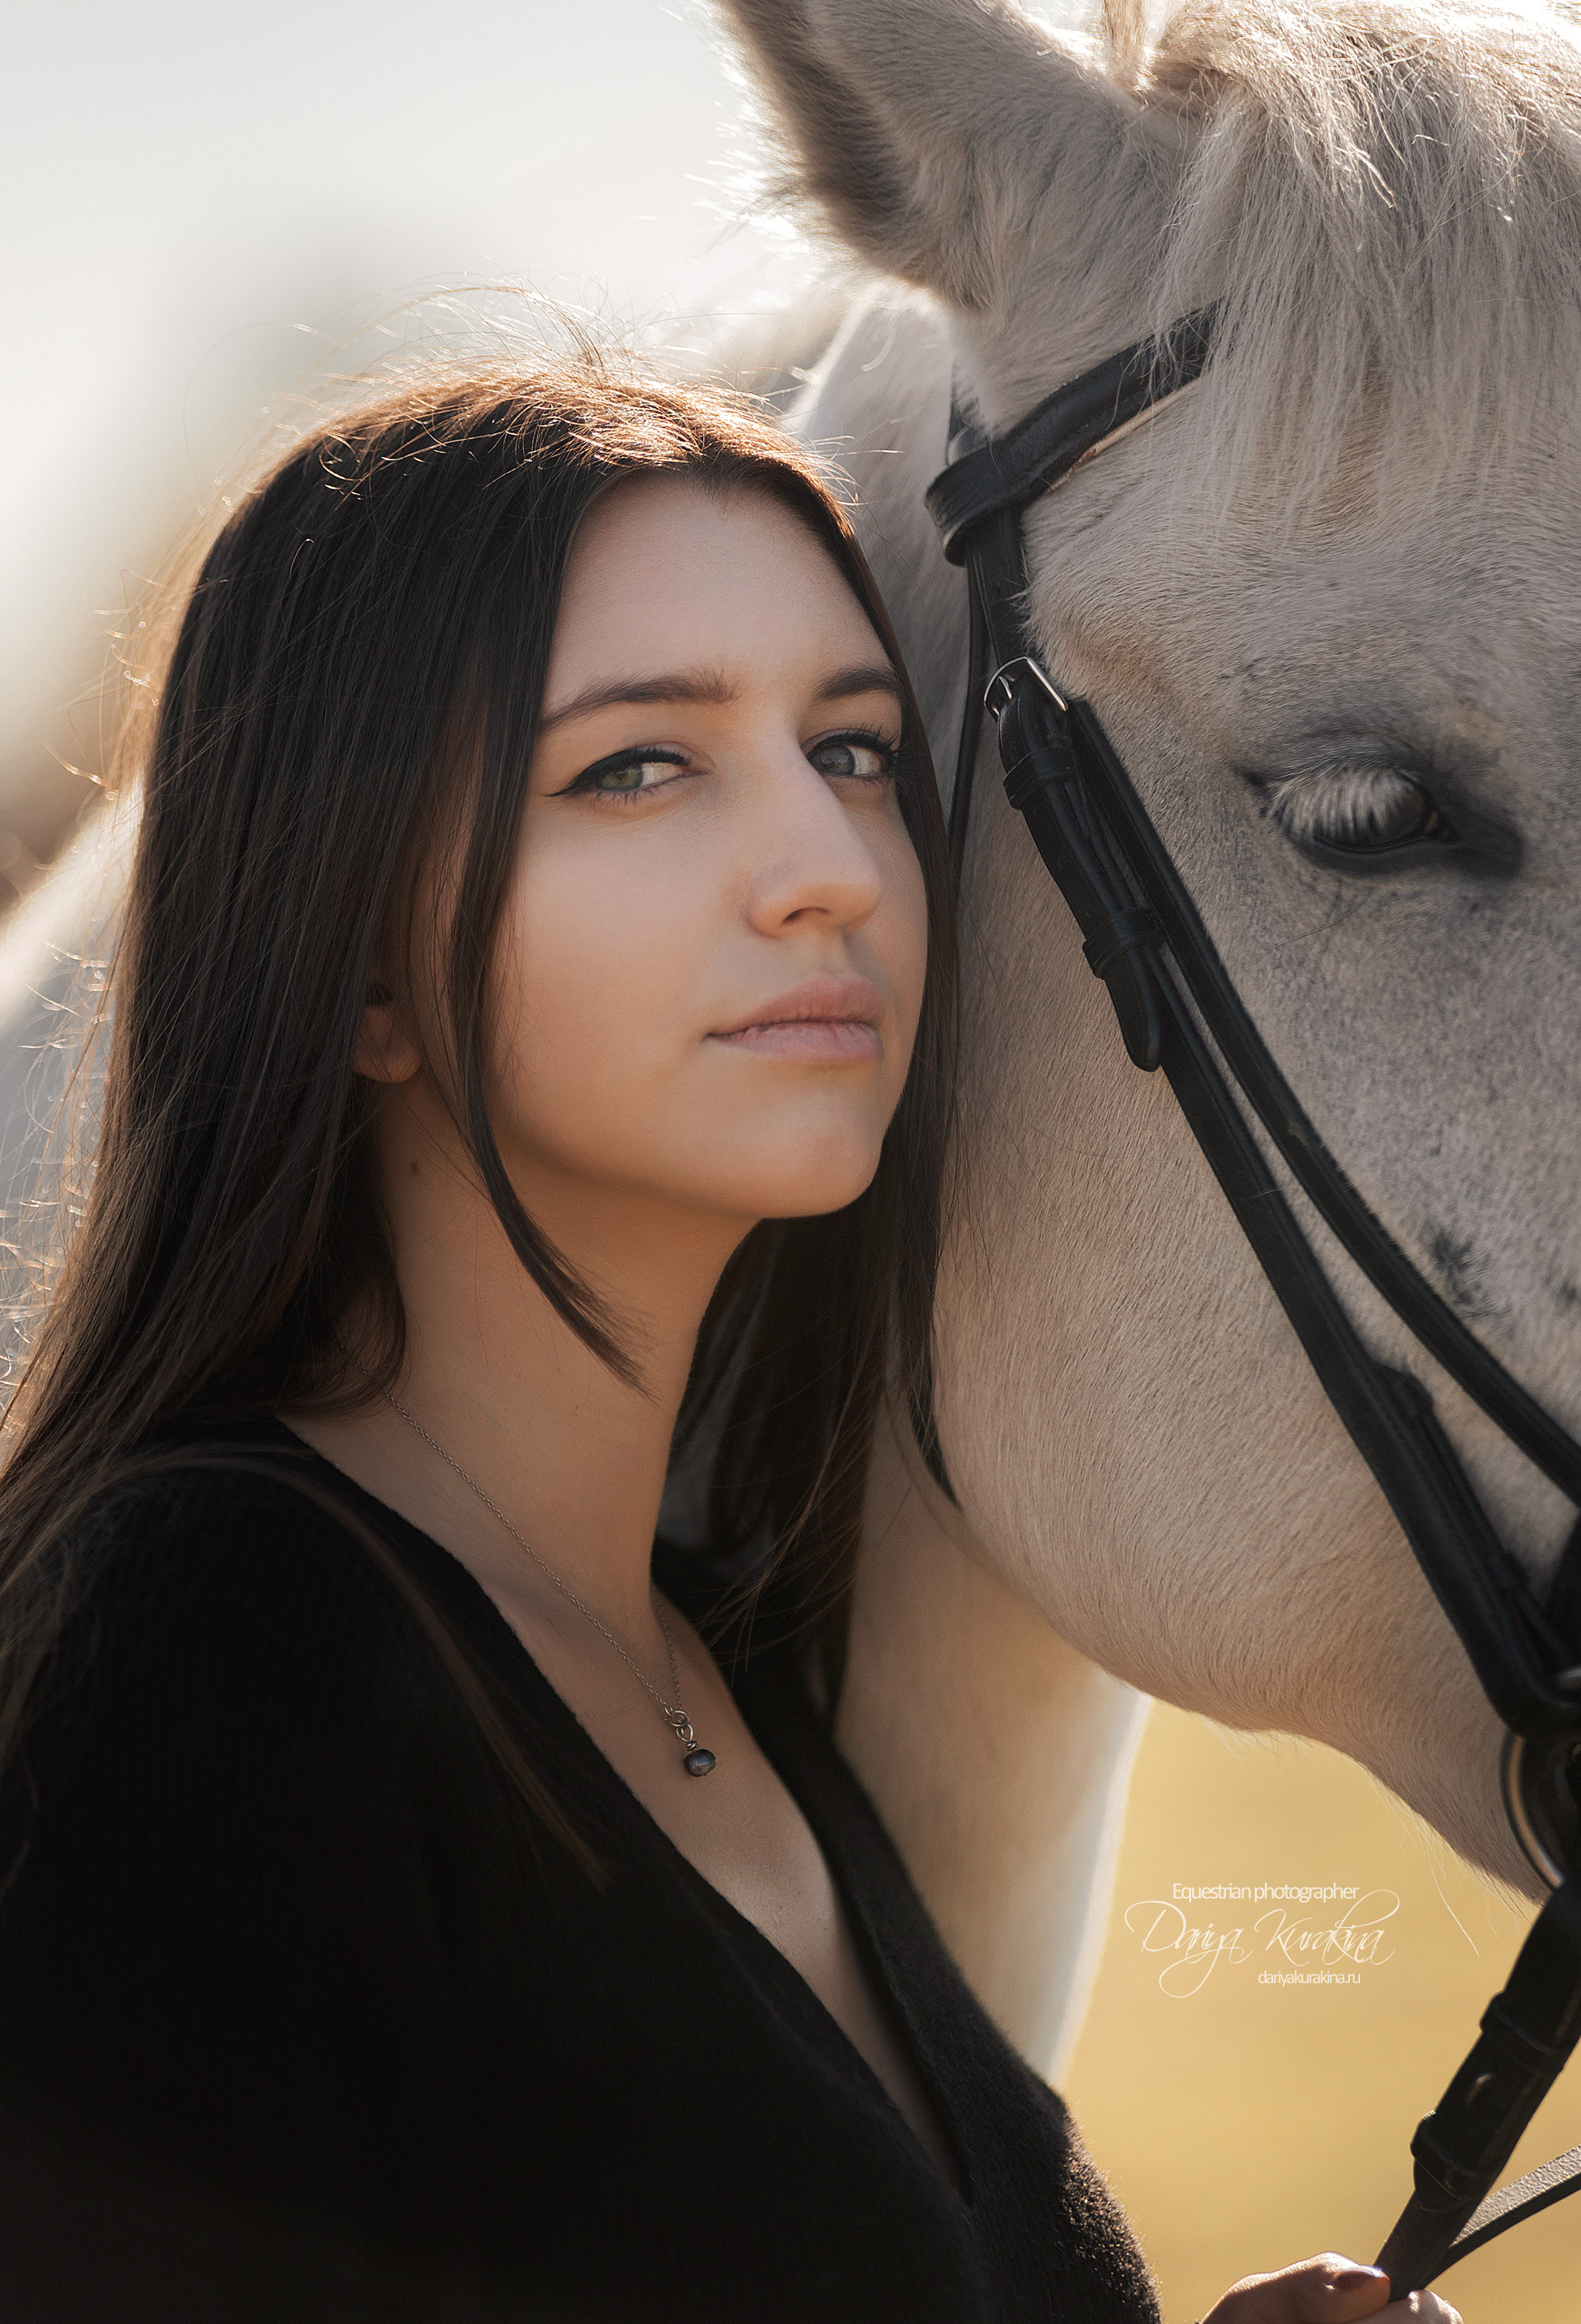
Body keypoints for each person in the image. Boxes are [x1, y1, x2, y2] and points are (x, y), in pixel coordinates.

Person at [0, 354, 1459, 2324]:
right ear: (354, 970)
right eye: (638, 768)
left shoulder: (728, 1665)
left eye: (854, 750)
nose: (834, 870)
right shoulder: (201, 1658)